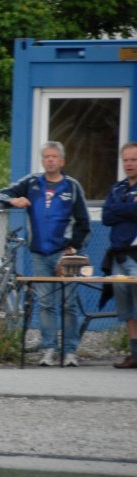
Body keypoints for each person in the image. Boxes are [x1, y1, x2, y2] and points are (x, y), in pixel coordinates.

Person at [0, 141, 91, 366]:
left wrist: (72, 249)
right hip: (39, 254)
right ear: (42, 160)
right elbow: (0, 194)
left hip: (65, 254)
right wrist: (14, 200)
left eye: (54, 156)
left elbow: (84, 223)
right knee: (46, 304)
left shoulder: (72, 186)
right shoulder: (31, 183)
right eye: (46, 156)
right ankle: (49, 350)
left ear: (62, 161)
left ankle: (70, 352)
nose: (50, 160)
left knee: (68, 303)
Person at [101, 142, 137, 369]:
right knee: (126, 309)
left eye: (133, 159)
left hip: (135, 255)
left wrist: (119, 210)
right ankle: (135, 354)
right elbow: (106, 217)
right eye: (126, 160)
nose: (129, 164)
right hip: (118, 256)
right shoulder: (117, 189)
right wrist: (129, 209)